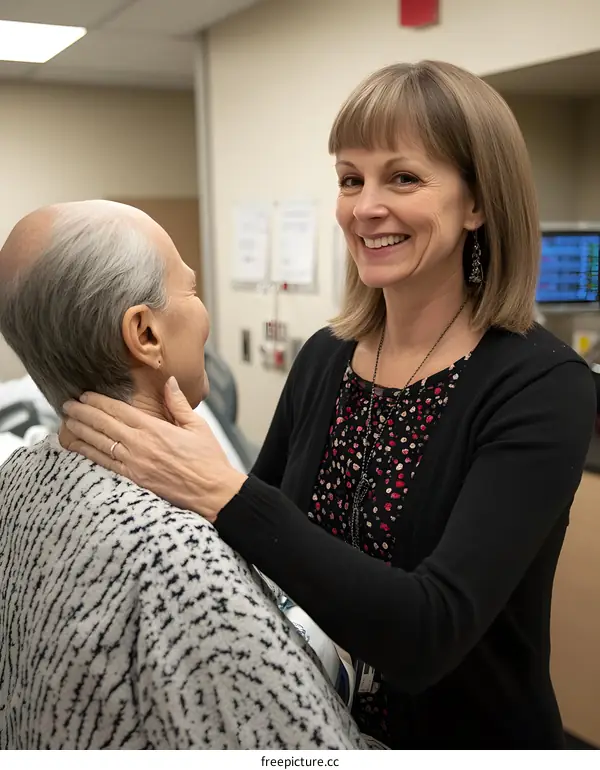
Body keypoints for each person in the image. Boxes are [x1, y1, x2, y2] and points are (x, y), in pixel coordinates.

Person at [61, 62, 596, 749]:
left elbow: (427, 634)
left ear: (477, 203)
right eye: (350, 178)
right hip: (314, 734)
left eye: (402, 177)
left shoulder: (541, 384)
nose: (364, 206)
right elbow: (257, 552)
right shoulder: (326, 358)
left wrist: (223, 491)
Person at [0, 200, 366, 750]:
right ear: (145, 334)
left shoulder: (17, 482)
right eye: (191, 291)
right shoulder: (176, 557)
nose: (205, 315)